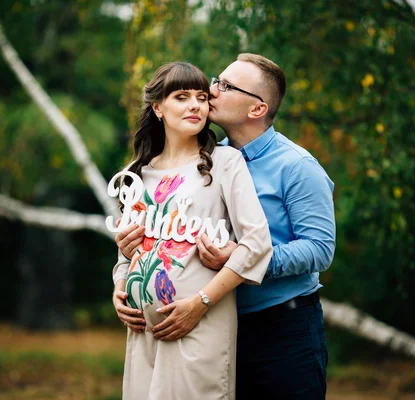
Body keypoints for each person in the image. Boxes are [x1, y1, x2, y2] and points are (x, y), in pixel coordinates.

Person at [115, 54, 336, 399]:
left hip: (281, 327)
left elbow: (321, 249)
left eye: (224, 86)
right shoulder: (204, 162)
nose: (212, 91)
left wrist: (245, 262)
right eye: (216, 81)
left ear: (256, 110)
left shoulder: (296, 167)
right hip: (216, 326)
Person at [110, 61, 273, 400]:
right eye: (181, 97)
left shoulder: (225, 162)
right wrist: (119, 287)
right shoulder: (136, 173)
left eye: (201, 96)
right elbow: (127, 253)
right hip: (143, 334)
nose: (195, 105)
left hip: (200, 325)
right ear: (158, 107)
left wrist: (200, 303)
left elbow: (257, 244)